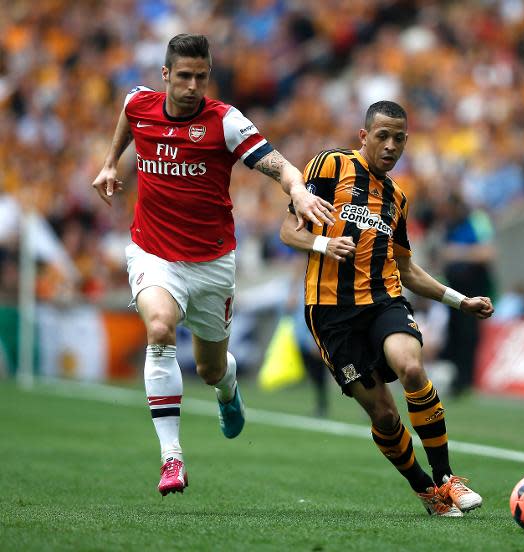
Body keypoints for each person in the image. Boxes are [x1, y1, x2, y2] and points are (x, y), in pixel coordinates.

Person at [91, 34, 334, 496]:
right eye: (183, 76)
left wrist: (298, 190)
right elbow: (127, 111)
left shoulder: (225, 122)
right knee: (159, 327)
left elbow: (279, 164)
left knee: (210, 368)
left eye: (201, 77)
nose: (192, 86)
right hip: (153, 252)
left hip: (212, 263)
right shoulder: (141, 103)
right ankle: (171, 459)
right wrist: (109, 164)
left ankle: (228, 390)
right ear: (165, 75)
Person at [279, 101, 494, 517]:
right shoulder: (328, 166)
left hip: (383, 300)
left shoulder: (397, 198)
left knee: (411, 368)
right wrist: (324, 243)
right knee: (384, 414)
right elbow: (289, 230)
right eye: (383, 136)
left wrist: (459, 300)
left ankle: (447, 477)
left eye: (400, 139)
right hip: (331, 313)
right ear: (364, 136)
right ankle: (427, 491)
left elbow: (407, 268)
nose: (391, 145)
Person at [437, 194, 496, 396]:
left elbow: (487, 253)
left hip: (474, 287)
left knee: (468, 334)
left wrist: (458, 253)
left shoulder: (477, 221)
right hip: (454, 288)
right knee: (453, 333)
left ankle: (466, 381)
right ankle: (455, 381)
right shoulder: (449, 226)